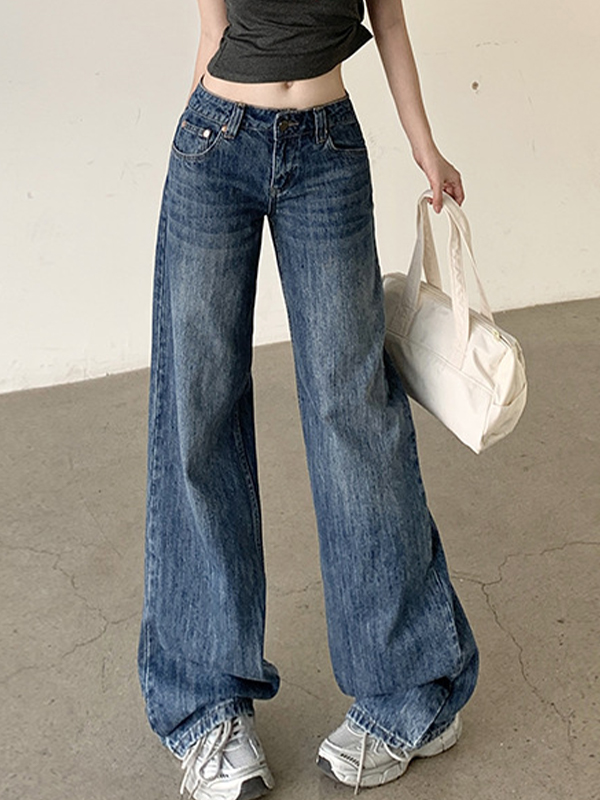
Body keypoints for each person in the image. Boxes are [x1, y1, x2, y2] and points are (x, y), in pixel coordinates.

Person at [137, 1, 479, 798]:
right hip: (214, 143)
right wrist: (193, 151)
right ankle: (207, 707)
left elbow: (389, 22)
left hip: (326, 151)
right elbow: (214, 33)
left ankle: (410, 691)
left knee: (353, 413)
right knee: (197, 416)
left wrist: (425, 146)